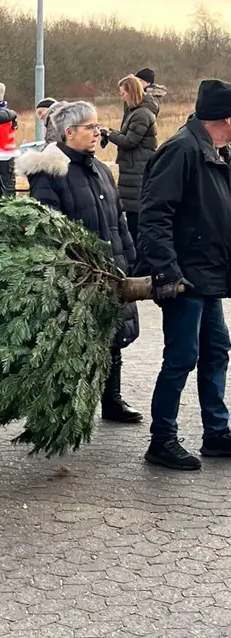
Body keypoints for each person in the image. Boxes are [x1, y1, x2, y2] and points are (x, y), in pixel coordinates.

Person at [17, 101, 142, 426]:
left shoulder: (100, 169)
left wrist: (128, 259)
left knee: (112, 337)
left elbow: (119, 220)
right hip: (79, 275)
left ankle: (111, 401)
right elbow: (48, 228)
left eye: (98, 125)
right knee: (73, 343)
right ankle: (60, 408)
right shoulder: (51, 173)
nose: (97, 132)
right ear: (69, 132)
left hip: (110, 269)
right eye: (90, 127)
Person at [139, 79, 231, 471]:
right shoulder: (181, 150)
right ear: (225, 118)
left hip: (208, 274)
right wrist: (168, 272)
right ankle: (162, 439)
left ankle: (216, 432)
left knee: (216, 350)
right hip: (184, 276)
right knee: (181, 357)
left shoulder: (217, 151)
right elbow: (154, 216)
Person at [101, 75, 158, 250]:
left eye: (123, 93)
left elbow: (130, 141)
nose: (122, 97)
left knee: (135, 215)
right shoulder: (136, 112)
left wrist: (110, 135)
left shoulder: (141, 114)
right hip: (133, 169)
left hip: (137, 170)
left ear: (130, 92)